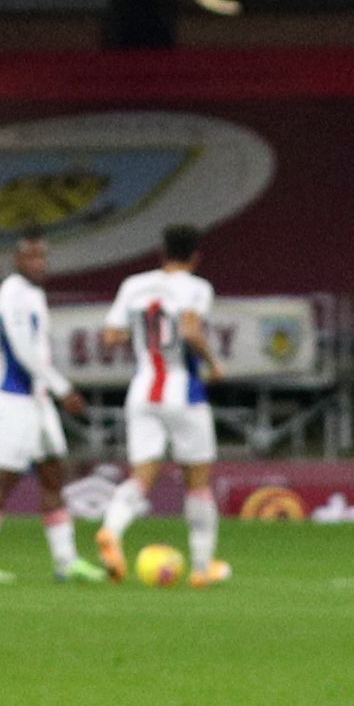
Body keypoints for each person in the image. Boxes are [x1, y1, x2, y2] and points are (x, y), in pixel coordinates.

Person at [0, 235, 107, 583]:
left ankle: (66, 560)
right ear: (16, 258)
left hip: (36, 399)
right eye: (31, 257)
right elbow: (22, 351)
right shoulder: (11, 294)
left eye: (43, 256)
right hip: (14, 398)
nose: (39, 263)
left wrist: (49, 390)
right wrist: (62, 388)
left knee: (54, 471)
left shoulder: (35, 294)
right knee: (5, 476)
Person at [94, 224, 230, 587]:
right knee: (198, 482)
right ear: (196, 255)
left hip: (142, 390)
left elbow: (109, 336)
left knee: (142, 477)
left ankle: (111, 531)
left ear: (162, 252)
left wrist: (142, 333)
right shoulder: (197, 287)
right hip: (183, 391)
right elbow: (189, 331)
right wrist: (214, 363)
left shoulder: (133, 285)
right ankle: (203, 567)